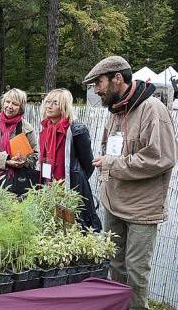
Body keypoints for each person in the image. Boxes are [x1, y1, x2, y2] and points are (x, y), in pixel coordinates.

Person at [84, 56, 177, 310]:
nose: (96, 90)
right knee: (115, 267)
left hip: (141, 211)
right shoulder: (115, 110)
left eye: (99, 83)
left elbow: (162, 158)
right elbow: (107, 149)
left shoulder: (152, 110)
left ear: (117, 79)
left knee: (136, 275)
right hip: (114, 204)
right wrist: (106, 178)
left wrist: (113, 165)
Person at [39, 88, 101, 231]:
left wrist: (76, 178)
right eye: (48, 102)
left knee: (73, 228)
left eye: (55, 103)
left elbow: (88, 165)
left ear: (64, 106)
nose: (49, 106)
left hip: (70, 189)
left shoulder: (77, 130)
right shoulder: (45, 130)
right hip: (50, 187)